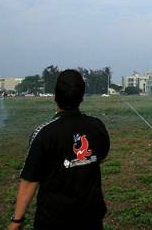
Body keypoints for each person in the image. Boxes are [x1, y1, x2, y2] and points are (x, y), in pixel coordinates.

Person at [9, 69, 110, 230]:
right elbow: (102, 157)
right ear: (81, 97)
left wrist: (16, 220)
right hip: (91, 218)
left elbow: (29, 181)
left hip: (53, 220)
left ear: (55, 96)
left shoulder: (44, 133)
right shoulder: (96, 126)